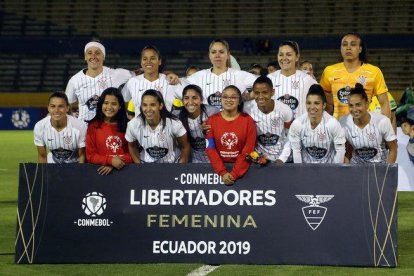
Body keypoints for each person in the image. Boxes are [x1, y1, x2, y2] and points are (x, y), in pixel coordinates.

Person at [320, 33, 391, 119]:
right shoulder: (329, 71)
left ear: (360, 49)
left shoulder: (374, 72)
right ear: (341, 48)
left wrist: (385, 127)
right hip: (338, 127)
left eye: (353, 44)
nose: (348, 48)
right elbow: (325, 102)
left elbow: (384, 103)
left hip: (365, 127)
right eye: (344, 44)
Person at [65, 40, 135, 122]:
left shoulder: (115, 74)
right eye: (89, 53)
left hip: (109, 128)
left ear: (103, 56)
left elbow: (137, 74)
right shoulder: (74, 80)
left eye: (97, 53)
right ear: (85, 56)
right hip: (85, 129)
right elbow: (69, 104)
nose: (93, 56)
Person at [205, 85, 257, 185]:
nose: (229, 100)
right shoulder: (211, 121)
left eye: (233, 97)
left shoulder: (248, 121)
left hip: (243, 171)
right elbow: (210, 148)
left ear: (239, 100)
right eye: (225, 97)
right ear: (221, 99)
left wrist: (235, 173)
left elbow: (248, 150)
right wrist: (222, 172)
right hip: (217, 170)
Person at [184, 39, 257, 108]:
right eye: (213, 52)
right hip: (207, 120)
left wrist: (249, 96)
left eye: (221, 52)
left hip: (232, 120)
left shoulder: (239, 75)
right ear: (209, 55)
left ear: (228, 55)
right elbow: (178, 85)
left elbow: (264, 82)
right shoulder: (199, 76)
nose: (217, 55)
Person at [125, 89, 190, 163]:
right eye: (145, 105)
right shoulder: (133, 124)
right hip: (146, 165)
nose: (148, 109)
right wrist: (139, 166)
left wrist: (180, 167)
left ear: (160, 105)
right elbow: (132, 146)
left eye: (152, 105)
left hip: (171, 165)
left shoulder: (174, 123)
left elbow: (185, 146)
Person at [339, 84, 397, 164]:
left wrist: (387, 172)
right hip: (357, 169)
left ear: (367, 104)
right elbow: (347, 151)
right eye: (351, 105)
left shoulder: (382, 121)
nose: (354, 109)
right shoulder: (343, 122)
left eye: (358, 104)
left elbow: (393, 148)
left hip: (379, 168)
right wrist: (346, 171)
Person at [288, 84, 346, 163]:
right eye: (309, 103)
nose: (312, 107)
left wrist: (335, 172)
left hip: (328, 170)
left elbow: (340, 151)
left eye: (316, 103)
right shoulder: (297, 124)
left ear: (324, 105)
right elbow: (296, 151)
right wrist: (300, 173)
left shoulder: (333, 124)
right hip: (306, 170)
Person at [244, 76, 293, 163]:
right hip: (258, 160)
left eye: (265, 92)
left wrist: (281, 159)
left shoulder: (285, 110)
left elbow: (290, 137)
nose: (260, 96)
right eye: (257, 93)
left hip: (281, 160)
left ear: (272, 92)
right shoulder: (246, 108)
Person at [122, 45, 182, 113]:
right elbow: (123, 102)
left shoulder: (170, 81)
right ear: (141, 62)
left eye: (152, 58)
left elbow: (188, 98)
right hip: (140, 124)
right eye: (145, 59)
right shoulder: (132, 82)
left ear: (159, 61)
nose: (148, 61)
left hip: (165, 123)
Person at [86, 87, 132, 175]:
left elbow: (132, 155)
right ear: (101, 105)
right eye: (106, 103)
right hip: (99, 174)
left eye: (114, 104)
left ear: (120, 106)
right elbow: (90, 156)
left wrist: (114, 162)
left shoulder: (128, 126)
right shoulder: (93, 126)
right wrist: (110, 161)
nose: (109, 107)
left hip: (124, 173)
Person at [268, 41, 317, 119]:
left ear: (297, 57)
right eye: (281, 55)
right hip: (276, 129)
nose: (284, 58)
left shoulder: (308, 80)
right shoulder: (269, 79)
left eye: (289, 55)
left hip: (302, 129)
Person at [34, 92, 87, 163]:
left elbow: (82, 156)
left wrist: (79, 172)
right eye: (53, 106)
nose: (56, 110)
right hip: (53, 164)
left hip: (75, 164)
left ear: (67, 108)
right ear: (48, 108)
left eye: (61, 106)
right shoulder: (39, 127)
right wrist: (43, 173)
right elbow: (42, 156)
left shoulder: (80, 126)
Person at [173, 84, 220, 163]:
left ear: (201, 100)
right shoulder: (177, 115)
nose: (190, 102)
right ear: (182, 101)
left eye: (194, 98)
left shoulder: (213, 112)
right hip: (194, 164)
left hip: (215, 162)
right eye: (186, 98)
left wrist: (210, 131)